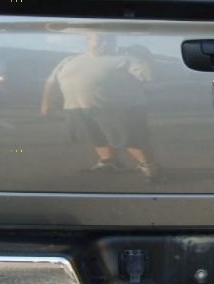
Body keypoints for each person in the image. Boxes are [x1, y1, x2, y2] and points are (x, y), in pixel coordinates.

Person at [40, 32, 159, 179]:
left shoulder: (126, 59)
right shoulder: (69, 60)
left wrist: (146, 58)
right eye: (100, 39)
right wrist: (46, 103)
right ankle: (109, 162)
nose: (105, 42)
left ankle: (150, 167)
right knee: (96, 137)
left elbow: (149, 77)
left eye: (110, 39)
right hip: (77, 107)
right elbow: (51, 82)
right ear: (87, 40)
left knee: (128, 139)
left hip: (113, 109)